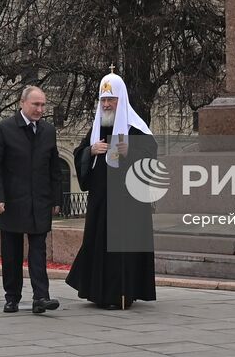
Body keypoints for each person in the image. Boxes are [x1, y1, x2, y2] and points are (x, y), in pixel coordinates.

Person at [67, 73, 158, 309]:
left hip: (128, 202)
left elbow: (150, 156)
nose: (106, 105)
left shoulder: (135, 128)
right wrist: (91, 150)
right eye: (103, 100)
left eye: (111, 100)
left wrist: (131, 152)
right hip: (101, 198)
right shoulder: (98, 126)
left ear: (122, 99)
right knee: (100, 244)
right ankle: (99, 292)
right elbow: (80, 152)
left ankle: (122, 293)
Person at [0, 85, 63, 314]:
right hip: (12, 202)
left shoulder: (48, 130)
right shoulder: (4, 128)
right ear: (22, 103)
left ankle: (41, 297)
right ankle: (12, 297)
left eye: (42, 105)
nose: (40, 109)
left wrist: (56, 199)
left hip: (39, 201)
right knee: (11, 252)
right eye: (35, 104)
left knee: (38, 250)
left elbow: (54, 167)